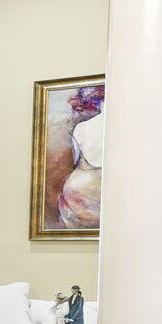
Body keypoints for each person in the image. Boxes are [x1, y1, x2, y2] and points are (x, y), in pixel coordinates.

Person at [56, 85, 104, 231]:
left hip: (77, 190)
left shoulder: (81, 127)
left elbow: (76, 159)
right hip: (102, 192)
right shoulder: (126, 128)